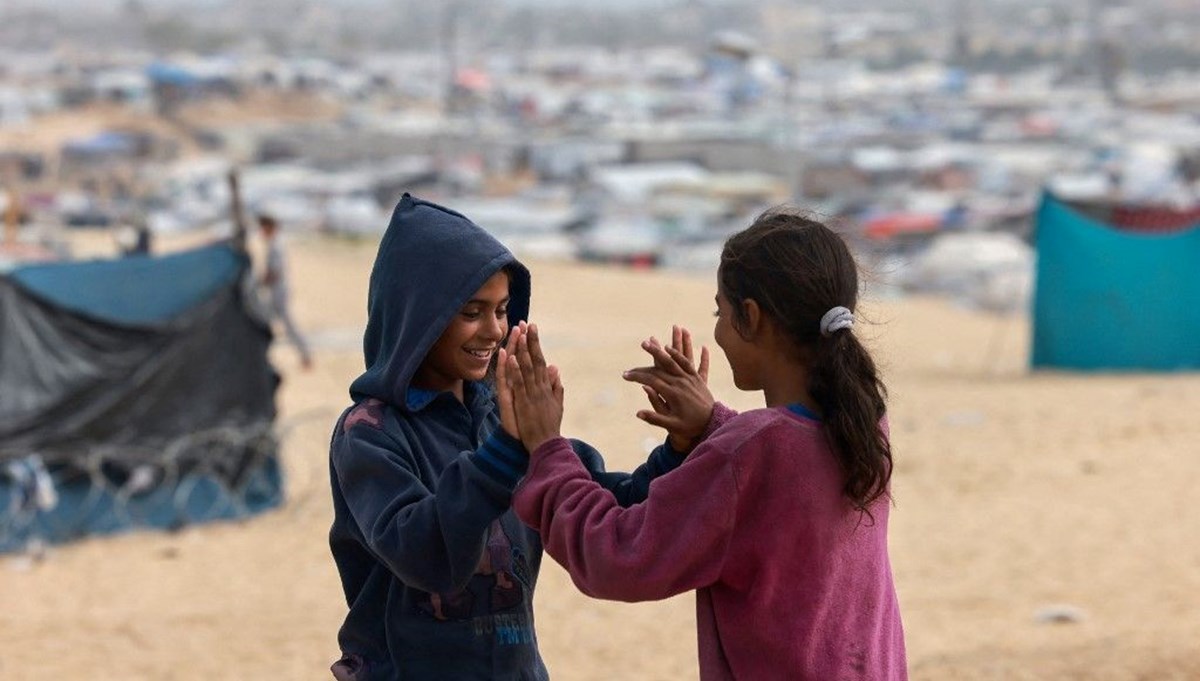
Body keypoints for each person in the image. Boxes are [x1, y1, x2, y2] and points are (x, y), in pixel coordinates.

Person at [503, 207, 907, 680]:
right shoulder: (862, 423)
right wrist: (712, 425)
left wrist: (546, 448)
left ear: (750, 317)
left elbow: (617, 555)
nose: (717, 327)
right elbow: (784, 477)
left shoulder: (751, 451)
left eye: (721, 310)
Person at [326, 194, 692, 681]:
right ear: (419, 317)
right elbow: (425, 555)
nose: (494, 330)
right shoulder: (369, 434)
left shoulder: (501, 420)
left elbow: (606, 505)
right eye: (471, 312)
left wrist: (679, 447)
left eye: (502, 310)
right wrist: (505, 452)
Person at [257, 212, 313, 369]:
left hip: (278, 293)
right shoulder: (274, 243)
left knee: (285, 325)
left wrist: (259, 283)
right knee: (268, 322)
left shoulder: (276, 245)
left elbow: (275, 272)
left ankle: (305, 354)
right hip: (276, 292)